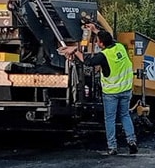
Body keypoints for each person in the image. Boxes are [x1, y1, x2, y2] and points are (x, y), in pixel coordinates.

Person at [58, 27, 138, 155]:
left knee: (110, 119)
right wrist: (95, 30)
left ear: (101, 43)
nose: (96, 44)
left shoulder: (103, 56)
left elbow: (88, 61)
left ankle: (112, 147)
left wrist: (75, 50)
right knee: (125, 115)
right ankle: (132, 141)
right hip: (126, 90)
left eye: (97, 41)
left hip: (111, 93)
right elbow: (109, 39)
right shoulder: (120, 47)